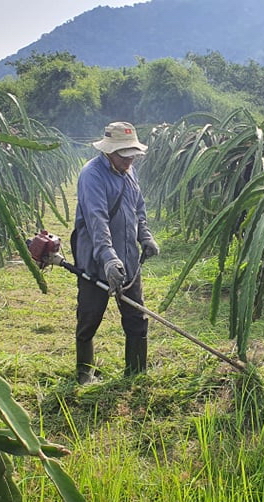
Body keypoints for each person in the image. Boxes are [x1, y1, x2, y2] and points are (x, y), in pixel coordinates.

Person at [73, 121, 160, 384]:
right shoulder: (92, 175)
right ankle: (84, 373)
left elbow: (138, 207)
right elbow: (97, 220)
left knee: (136, 318)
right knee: (90, 317)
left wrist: (144, 235)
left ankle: (135, 373)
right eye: (124, 154)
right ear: (109, 151)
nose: (129, 159)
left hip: (129, 259)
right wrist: (109, 258)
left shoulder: (130, 172)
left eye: (132, 153)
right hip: (96, 261)